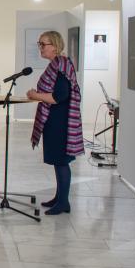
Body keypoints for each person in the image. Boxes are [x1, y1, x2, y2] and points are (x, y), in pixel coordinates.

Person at [27, 31, 84, 216]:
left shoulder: (61, 66)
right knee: (58, 162)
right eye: (40, 44)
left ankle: (63, 202)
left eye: (43, 44)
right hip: (55, 119)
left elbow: (59, 96)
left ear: (55, 46)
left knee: (61, 162)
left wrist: (36, 95)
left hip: (61, 120)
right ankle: (59, 198)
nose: (41, 48)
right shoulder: (57, 65)